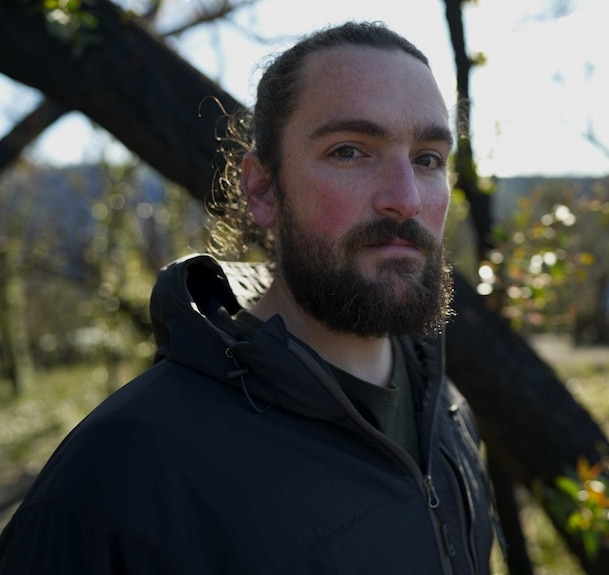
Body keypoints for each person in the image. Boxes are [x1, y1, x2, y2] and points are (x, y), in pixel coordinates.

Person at [0, 21, 500, 574]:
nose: (405, 199)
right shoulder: (119, 482)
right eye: (351, 151)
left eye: (428, 158)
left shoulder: (443, 404)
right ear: (262, 189)